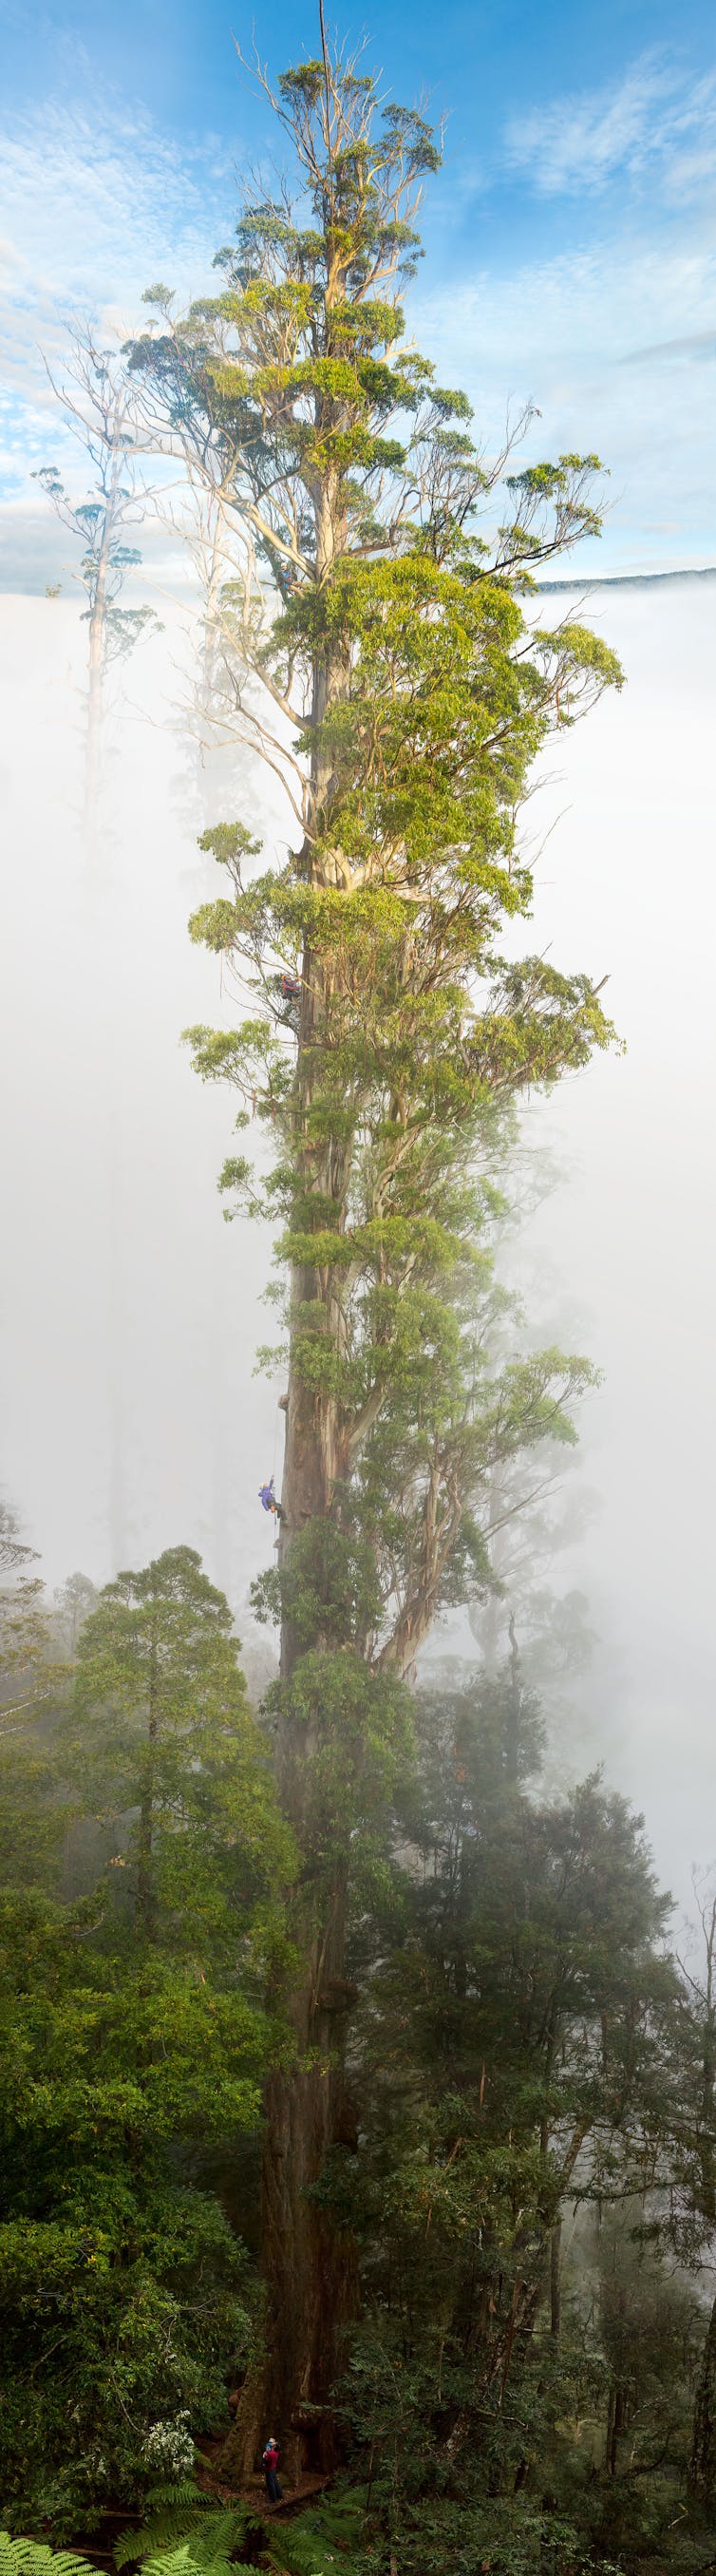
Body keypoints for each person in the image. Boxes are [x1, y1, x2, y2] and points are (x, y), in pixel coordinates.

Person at [262, 2434, 282, 2502]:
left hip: (269, 2470)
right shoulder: (277, 2452)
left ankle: (273, 2498)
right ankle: (279, 2494)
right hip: (273, 2468)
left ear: (274, 2446)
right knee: (275, 2481)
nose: (271, 2443)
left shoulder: (271, 2454)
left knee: (271, 2484)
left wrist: (264, 2455)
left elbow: (266, 2460)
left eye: (273, 2443)